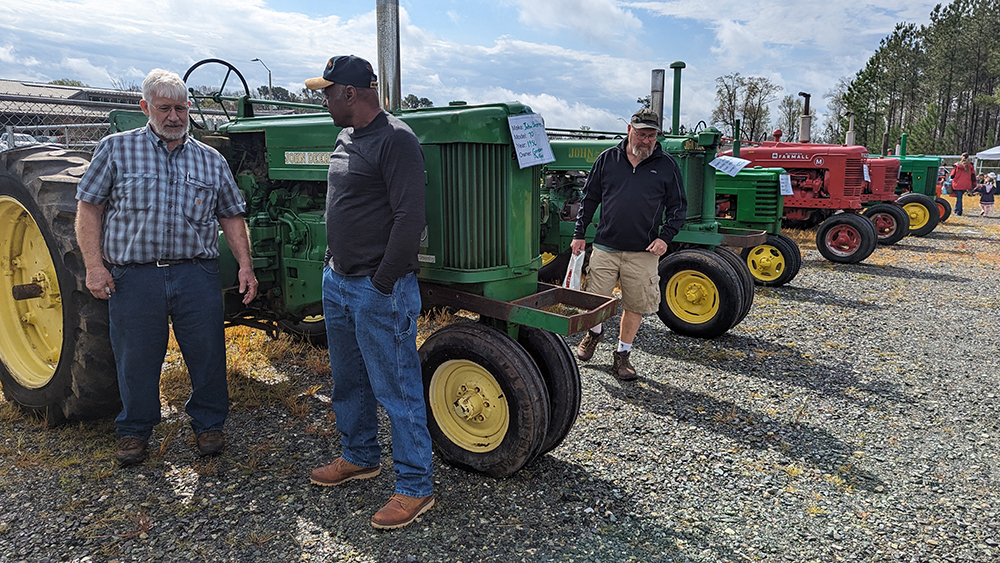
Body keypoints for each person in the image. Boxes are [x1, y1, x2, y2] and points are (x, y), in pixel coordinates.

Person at [75, 68, 257, 466]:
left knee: (207, 352)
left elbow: (230, 215)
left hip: (196, 273)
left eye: (180, 108)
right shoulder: (115, 149)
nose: (174, 117)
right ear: (145, 108)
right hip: (135, 275)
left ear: (189, 108)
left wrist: (245, 265)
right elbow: (89, 208)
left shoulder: (210, 159)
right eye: (164, 108)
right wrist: (93, 266)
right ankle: (134, 429)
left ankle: (209, 423)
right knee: (136, 356)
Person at [304, 55, 434, 530]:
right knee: (349, 380)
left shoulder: (396, 140)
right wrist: (331, 267)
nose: (323, 99)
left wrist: (380, 285)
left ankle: (415, 487)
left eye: (327, 91)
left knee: (397, 388)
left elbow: (409, 220)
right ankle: (359, 456)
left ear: (351, 93)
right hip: (338, 280)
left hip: (378, 289)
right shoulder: (345, 136)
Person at [571, 108, 686, 381]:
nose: (647, 141)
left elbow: (678, 207)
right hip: (605, 246)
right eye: (642, 134)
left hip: (643, 252)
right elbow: (589, 200)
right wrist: (579, 234)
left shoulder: (667, 165)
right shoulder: (607, 159)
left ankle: (622, 355)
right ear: (629, 131)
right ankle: (594, 334)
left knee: (635, 306)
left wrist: (665, 238)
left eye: (652, 135)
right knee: (594, 301)